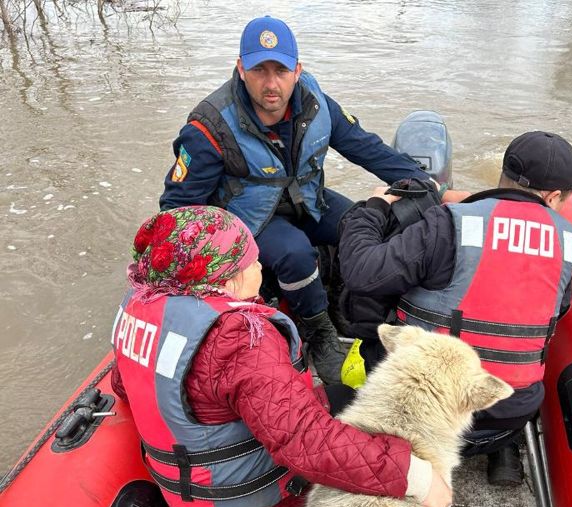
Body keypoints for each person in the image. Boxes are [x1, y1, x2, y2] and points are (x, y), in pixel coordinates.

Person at [110, 206, 451, 507]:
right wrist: (415, 476)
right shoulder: (236, 338)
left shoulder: (141, 305)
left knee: (342, 396)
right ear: (228, 275)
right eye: (253, 259)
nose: (261, 268)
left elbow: (124, 386)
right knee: (397, 487)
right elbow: (305, 442)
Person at [159, 15, 455, 384]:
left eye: (281, 70)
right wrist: (209, 267)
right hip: (250, 219)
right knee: (295, 252)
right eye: (259, 70)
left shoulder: (315, 103)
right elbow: (177, 210)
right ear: (240, 68)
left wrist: (428, 186)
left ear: (297, 70)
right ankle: (320, 336)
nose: (271, 83)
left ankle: (365, 311)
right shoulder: (209, 127)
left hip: (307, 200)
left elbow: (365, 147)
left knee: (367, 223)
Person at [338, 131, 572, 486]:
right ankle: (505, 448)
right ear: (552, 197)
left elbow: (362, 272)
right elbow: (556, 312)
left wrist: (374, 208)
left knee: (381, 309)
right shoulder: (567, 240)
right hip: (508, 416)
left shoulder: (448, 223)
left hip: (421, 420)